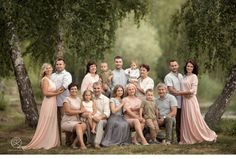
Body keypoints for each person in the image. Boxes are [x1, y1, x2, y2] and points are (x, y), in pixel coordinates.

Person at [22, 63, 63, 150]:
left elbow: (51, 90)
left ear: (52, 69)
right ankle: (44, 140)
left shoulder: (50, 79)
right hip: (48, 102)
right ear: (44, 70)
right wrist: (57, 93)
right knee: (47, 120)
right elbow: (46, 93)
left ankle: (50, 140)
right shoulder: (44, 79)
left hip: (53, 102)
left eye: (50, 68)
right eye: (46, 68)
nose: (48, 69)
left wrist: (58, 90)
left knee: (52, 120)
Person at [178, 59, 217, 144]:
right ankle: (188, 138)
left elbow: (192, 91)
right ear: (186, 67)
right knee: (187, 120)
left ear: (193, 68)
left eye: (191, 66)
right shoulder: (184, 77)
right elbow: (183, 89)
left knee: (195, 119)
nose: (189, 68)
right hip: (185, 100)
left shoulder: (194, 77)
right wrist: (183, 93)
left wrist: (180, 93)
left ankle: (210, 135)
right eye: (188, 66)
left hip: (191, 101)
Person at [51, 57, 72, 144]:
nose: (59, 66)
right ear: (55, 65)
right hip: (52, 102)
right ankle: (57, 141)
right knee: (55, 122)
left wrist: (54, 93)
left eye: (60, 64)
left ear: (64, 65)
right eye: (57, 64)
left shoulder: (67, 75)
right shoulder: (52, 75)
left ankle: (68, 141)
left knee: (66, 121)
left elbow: (64, 87)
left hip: (64, 102)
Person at [61, 83, 87, 150]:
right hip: (67, 121)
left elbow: (83, 109)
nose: (74, 90)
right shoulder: (66, 100)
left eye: (75, 89)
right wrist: (79, 111)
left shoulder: (79, 99)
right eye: (72, 89)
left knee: (84, 125)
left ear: (77, 90)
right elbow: (68, 112)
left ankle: (74, 143)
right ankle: (82, 144)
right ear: (69, 90)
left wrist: (78, 111)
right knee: (78, 126)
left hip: (76, 120)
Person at [164, 59, 183, 143]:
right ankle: (178, 139)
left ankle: (183, 138)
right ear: (170, 67)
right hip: (174, 103)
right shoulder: (168, 77)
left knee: (183, 121)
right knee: (177, 121)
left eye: (175, 65)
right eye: (172, 66)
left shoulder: (181, 75)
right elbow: (171, 90)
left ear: (178, 66)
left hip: (183, 101)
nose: (174, 67)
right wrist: (184, 93)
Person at [91, 81, 110, 148]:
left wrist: (99, 117)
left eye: (98, 88)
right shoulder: (90, 97)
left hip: (102, 119)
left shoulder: (106, 99)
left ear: (101, 88)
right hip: (91, 117)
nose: (96, 90)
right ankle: (89, 141)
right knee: (87, 121)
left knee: (100, 122)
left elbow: (107, 113)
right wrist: (93, 117)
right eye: (95, 88)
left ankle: (97, 143)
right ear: (92, 89)